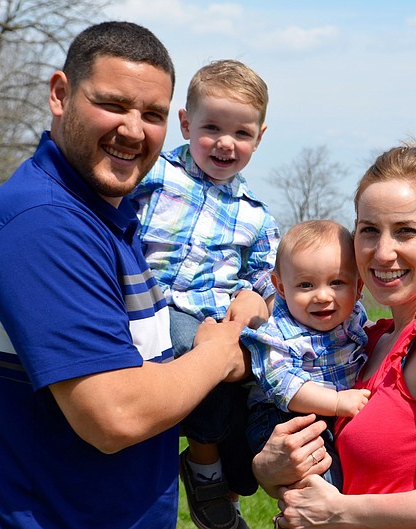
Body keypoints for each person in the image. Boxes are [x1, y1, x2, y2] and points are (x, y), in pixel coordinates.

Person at [0, 21, 249, 529]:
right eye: (113, 104)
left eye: (151, 114)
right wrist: (219, 351)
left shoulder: (108, 219)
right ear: (60, 94)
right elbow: (116, 415)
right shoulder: (41, 224)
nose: (133, 130)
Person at [253, 144, 416, 528]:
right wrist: (268, 468)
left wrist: (339, 512)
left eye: (405, 231)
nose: (382, 252)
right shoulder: (370, 341)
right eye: (369, 231)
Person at [129, 59, 279, 529]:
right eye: (211, 127)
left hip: (212, 320)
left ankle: (230, 481)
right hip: (148, 307)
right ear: (186, 123)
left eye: (242, 133)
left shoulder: (255, 215)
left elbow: (267, 277)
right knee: (203, 354)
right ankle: (204, 466)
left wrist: (259, 300)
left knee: (258, 374)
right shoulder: (153, 175)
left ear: (259, 136)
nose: (225, 143)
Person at [241, 220, 370, 489]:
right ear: (280, 287)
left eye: (337, 282)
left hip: (331, 413)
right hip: (281, 418)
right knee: (322, 476)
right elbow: (284, 386)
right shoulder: (276, 333)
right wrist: (335, 401)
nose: (323, 296)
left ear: (358, 288)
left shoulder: (354, 318)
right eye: (306, 285)